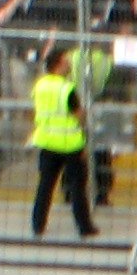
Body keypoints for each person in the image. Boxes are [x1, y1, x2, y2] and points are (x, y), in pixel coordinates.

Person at [28, 45, 97, 239]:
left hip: (47, 142)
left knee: (45, 185)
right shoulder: (67, 88)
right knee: (77, 187)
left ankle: (37, 225)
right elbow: (78, 114)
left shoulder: (40, 85)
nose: (68, 65)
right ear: (58, 65)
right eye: (66, 62)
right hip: (69, 144)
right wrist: (84, 119)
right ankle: (84, 227)